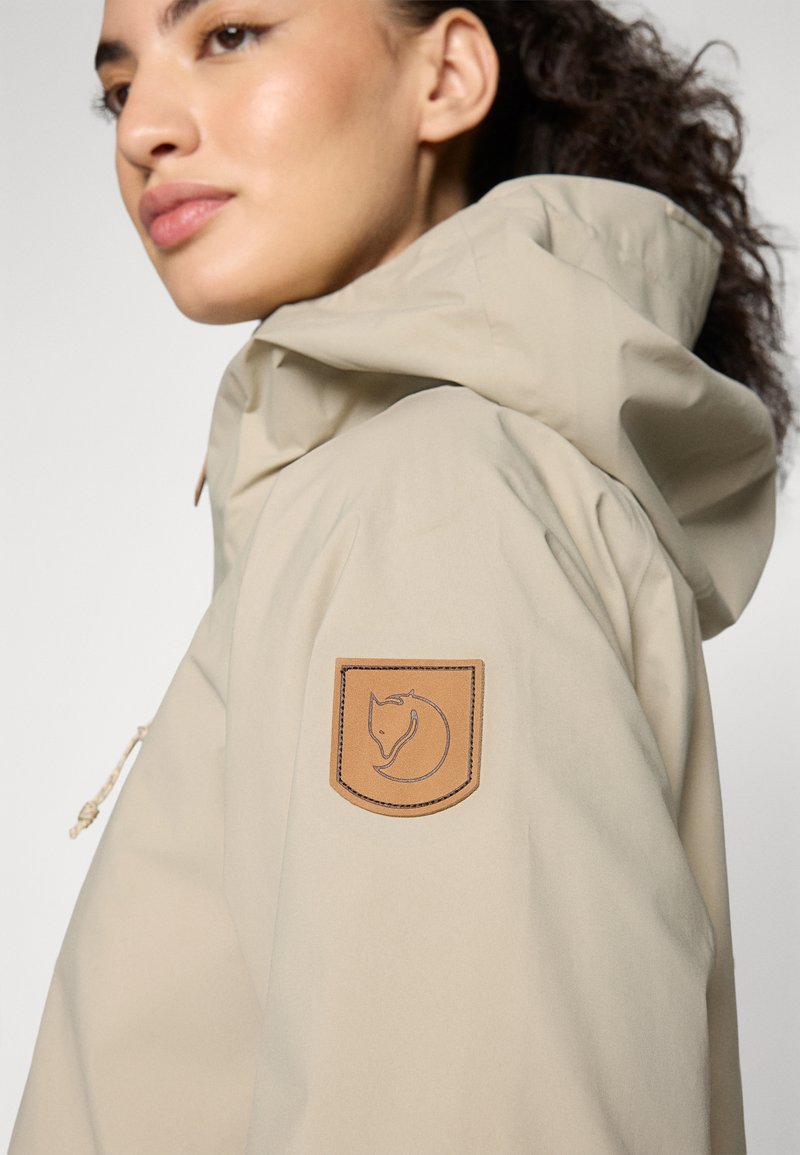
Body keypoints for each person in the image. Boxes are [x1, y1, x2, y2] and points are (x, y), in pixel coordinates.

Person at [9, 1, 793, 1152]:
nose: (142, 132)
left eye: (229, 35)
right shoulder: (436, 485)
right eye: (118, 90)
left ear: (446, 77)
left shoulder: (425, 503)